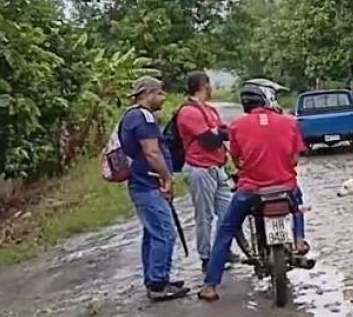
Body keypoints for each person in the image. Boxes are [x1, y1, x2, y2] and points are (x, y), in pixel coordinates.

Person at [198, 81, 308, 302]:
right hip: (284, 186)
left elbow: (237, 159)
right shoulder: (289, 123)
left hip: (250, 189)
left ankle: (210, 286)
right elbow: (296, 158)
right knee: (297, 204)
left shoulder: (237, 126)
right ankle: (299, 239)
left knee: (226, 230)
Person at [120, 76, 189, 301]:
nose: (163, 97)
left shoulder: (132, 116)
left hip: (142, 183)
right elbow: (152, 152)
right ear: (147, 94)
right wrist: (167, 177)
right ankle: (159, 283)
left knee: (152, 233)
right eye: (159, 93)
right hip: (149, 183)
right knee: (165, 232)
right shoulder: (144, 119)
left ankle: (155, 278)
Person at [177, 71, 238, 272]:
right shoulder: (188, 112)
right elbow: (209, 140)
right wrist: (218, 133)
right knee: (204, 216)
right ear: (204, 86)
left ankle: (223, 250)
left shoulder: (210, 110)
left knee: (227, 213)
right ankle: (205, 257)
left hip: (218, 167)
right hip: (200, 168)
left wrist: (218, 132)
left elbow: (225, 133)